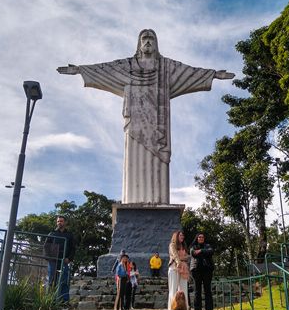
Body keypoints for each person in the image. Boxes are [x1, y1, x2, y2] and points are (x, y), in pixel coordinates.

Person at [58, 29, 234, 204]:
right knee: (134, 160)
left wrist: (213, 74)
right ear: (139, 43)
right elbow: (105, 70)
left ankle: (158, 200)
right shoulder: (126, 67)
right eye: (144, 38)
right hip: (135, 124)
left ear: (156, 43)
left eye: (151, 38)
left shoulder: (166, 67)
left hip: (158, 125)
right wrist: (81, 70)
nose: (148, 42)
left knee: (159, 168)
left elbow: (188, 72)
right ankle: (134, 200)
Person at [44, 216, 76, 303]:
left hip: (64, 261)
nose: (59, 223)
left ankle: (64, 301)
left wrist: (69, 258)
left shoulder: (69, 235)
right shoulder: (52, 233)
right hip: (53, 260)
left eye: (61, 221)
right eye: (58, 221)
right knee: (51, 280)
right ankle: (50, 300)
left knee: (64, 280)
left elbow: (73, 248)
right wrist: (49, 257)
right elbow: (46, 246)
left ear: (65, 223)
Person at [190, 233, 214, 310]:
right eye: (199, 237)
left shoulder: (208, 246)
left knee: (208, 290)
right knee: (197, 290)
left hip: (207, 270)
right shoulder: (193, 247)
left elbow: (210, 252)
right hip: (196, 270)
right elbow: (194, 254)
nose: (201, 238)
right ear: (197, 238)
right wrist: (204, 252)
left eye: (202, 237)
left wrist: (200, 251)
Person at [168, 231, 190, 310]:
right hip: (174, 268)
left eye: (183, 235)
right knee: (173, 289)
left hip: (183, 269)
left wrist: (182, 259)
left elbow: (187, 257)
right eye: (180, 235)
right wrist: (178, 261)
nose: (182, 236)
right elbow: (174, 255)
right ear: (176, 236)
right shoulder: (172, 245)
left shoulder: (184, 246)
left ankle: (185, 308)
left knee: (184, 290)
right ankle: (171, 309)